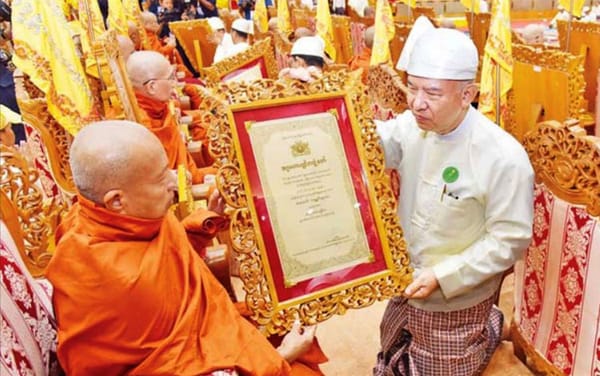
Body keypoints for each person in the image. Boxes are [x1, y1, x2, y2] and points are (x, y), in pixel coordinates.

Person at [46, 120, 326, 375]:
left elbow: (165, 261)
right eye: (159, 178)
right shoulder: (108, 278)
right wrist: (282, 357)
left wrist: (202, 224)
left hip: (213, 331)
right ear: (117, 200)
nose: (175, 181)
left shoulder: (112, 217)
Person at [373, 25, 534, 375]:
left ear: (467, 94)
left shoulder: (503, 157)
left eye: (431, 92)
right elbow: (374, 145)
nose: (416, 102)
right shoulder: (413, 125)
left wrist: (444, 275)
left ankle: (487, 327)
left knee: (442, 366)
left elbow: (510, 240)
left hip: (455, 294)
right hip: (404, 275)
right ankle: (492, 327)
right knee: (392, 342)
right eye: (412, 87)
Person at [126, 50, 214, 184]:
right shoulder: (143, 127)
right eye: (170, 78)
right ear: (152, 87)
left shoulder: (157, 107)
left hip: (193, 176)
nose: (174, 83)